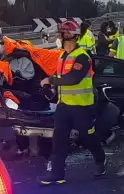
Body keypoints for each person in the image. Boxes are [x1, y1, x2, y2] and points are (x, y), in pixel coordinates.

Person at [39, 19, 106, 185]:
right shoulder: (62, 56)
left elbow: (72, 79)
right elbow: (61, 78)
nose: (61, 37)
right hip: (64, 105)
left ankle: (100, 160)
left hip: (81, 106)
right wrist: (52, 89)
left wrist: (50, 80)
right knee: (59, 140)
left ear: (71, 36)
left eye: (63, 34)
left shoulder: (82, 57)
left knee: (87, 137)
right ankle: (57, 174)